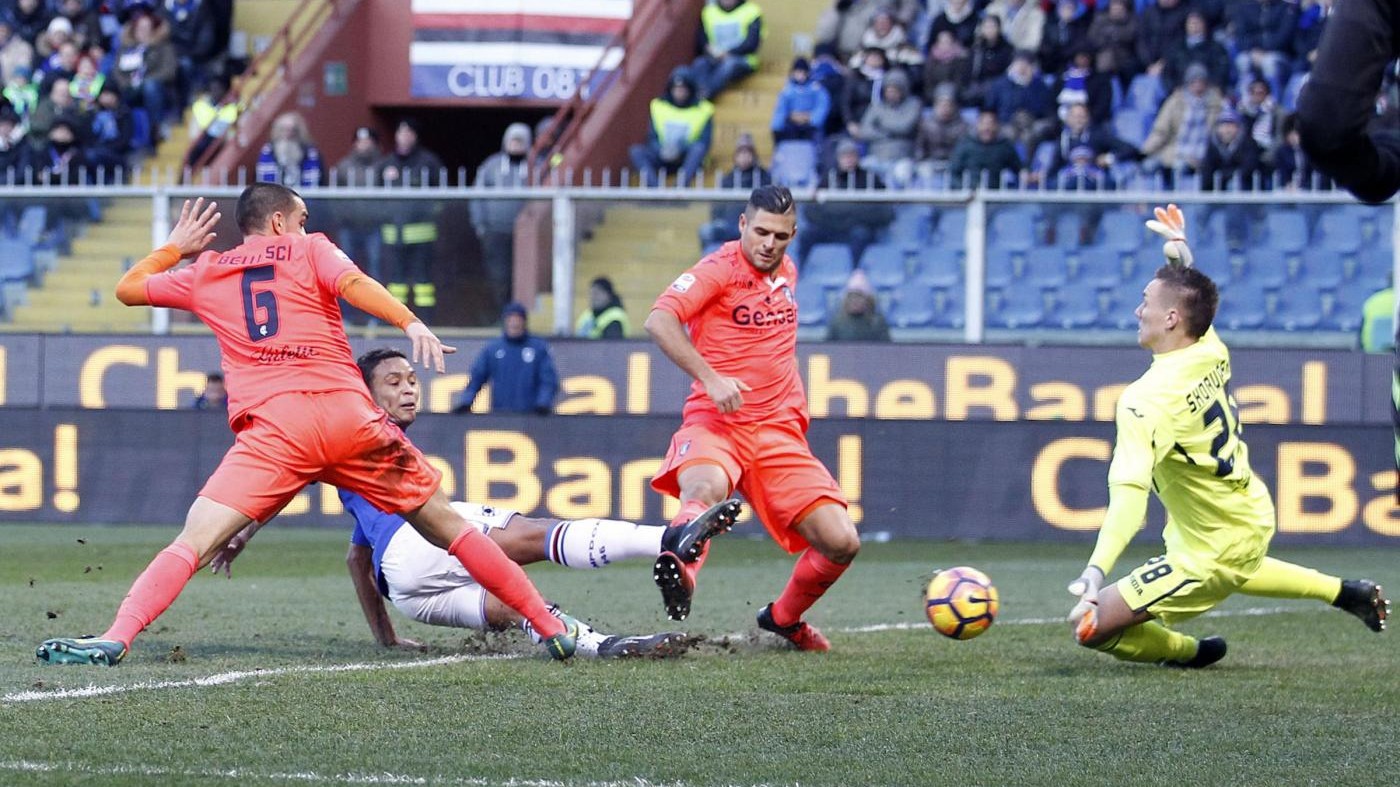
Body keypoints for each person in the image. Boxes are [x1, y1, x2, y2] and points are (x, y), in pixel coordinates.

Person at [36, 184, 579, 665]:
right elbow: (356, 283)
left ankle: (117, 635)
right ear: (279, 222)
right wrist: (410, 322)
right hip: (350, 416)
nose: (306, 227)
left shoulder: (205, 273)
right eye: (301, 217)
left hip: (276, 428)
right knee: (453, 530)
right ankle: (548, 625)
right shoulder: (310, 248)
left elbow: (129, 288)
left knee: (192, 542)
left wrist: (177, 246)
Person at [212, 348, 742, 658]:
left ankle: (601, 645)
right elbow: (291, 469)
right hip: (414, 543)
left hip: (407, 590)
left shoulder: (365, 470)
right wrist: (244, 528)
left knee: (513, 609)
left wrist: (388, 638)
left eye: (413, 381)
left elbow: (356, 558)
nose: (409, 391)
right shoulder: (355, 429)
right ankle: (668, 538)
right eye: (393, 383)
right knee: (531, 538)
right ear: (365, 395)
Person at [1065, 204, 1389, 670]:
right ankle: (1344, 592)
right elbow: (1196, 300)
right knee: (1240, 562)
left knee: (1091, 627)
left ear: (1172, 319)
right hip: (1250, 513)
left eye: (1146, 304)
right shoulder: (1210, 347)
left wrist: (1096, 572)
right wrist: (1182, 257)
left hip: (1207, 551)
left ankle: (1190, 652)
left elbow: (1129, 498)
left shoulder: (1146, 399)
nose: (1139, 310)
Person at [644, 185, 862, 651]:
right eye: (760, 231)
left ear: (792, 235)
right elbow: (659, 321)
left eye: (780, 236)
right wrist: (712, 377)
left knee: (842, 542)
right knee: (703, 491)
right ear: (742, 225)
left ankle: (783, 619)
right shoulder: (717, 270)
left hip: (778, 434)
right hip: (717, 421)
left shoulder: (788, 272)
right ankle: (681, 570)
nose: (769, 243)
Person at [379, 118, 445, 313]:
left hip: (422, 234)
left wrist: (427, 212)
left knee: (422, 282)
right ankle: (394, 317)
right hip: (393, 234)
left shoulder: (429, 163)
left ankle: (425, 318)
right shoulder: (386, 164)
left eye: (409, 133)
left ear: (415, 136)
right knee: (396, 281)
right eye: (401, 132)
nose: (404, 137)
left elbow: (441, 197)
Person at [453, 301, 559, 415]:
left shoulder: (538, 348)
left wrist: (543, 404)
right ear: (505, 322)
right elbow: (477, 377)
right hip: (501, 415)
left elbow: (548, 380)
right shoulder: (493, 348)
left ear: (524, 322)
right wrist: (466, 402)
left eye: (518, 320)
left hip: (531, 415)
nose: (514, 324)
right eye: (511, 320)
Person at [470, 122, 532, 308]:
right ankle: (502, 313)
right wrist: (480, 225)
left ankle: (520, 316)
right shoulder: (491, 165)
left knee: (523, 276)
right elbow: (476, 196)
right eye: (513, 140)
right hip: (496, 231)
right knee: (499, 276)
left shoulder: (535, 165)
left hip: (525, 233)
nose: (516, 145)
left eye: (520, 141)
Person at [628, 66, 714, 187]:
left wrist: (680, 148)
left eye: (683, 89)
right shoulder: (658, 106)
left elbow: (705, 141)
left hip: (686, 157)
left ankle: (680, 187)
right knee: (636, 151)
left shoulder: (704, 109)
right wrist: (661, 150)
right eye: (676, 89)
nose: (679, 92)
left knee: (698, 149)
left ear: (690, 89)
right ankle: (655, 190)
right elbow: (652, 136)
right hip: (662, 154)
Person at [700, 133, 772, 248]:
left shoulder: (764, 178)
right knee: (706, 231)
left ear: (754, 155)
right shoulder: (728, 179)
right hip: (729, 225)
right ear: (736, 156)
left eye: (747, 152)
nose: (744, 156)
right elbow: (717, 209)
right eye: (741, 153)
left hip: (753, 227)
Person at [690, 0, 763, 100]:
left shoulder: (752, 11)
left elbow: (752, 43)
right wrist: (709, 49)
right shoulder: (708, 12)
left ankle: (705, 94)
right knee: (700, 63)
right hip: (715, 57)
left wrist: (728, 53)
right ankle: (696, 93)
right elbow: (702, 39)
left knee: (729, 64)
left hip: (742, 60)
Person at [949, 110, 1023, 190]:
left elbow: (1019, 168)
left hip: (996, 194)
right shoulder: (965, 144)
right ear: (977, 125)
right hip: (969, 194)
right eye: (984, 124)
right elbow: (953, 172)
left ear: (997, 126)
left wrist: (1026, 174)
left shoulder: (1005, 146)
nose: (987, 128)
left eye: (991, 124)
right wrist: (963, 190)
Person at [770, 57, 830, 144]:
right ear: (793, 73)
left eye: (803, 72)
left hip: (810, 124)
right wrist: (777, 127)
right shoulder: (787, 90)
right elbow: (781, 109)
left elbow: (822, 105)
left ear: (808, 73)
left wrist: (812, 118)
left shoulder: (816, 88)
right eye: (798, 72)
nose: (800, 75)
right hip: (792, 123)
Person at [256, 111, 322, 188]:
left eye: (293, 130)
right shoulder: (268, 150)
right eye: (284, 129)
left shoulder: (310, 153)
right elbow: (264, 179)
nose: (288, 134)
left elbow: (315, 178)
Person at [825, 269, 889, 341]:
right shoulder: (837, 323)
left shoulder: (877, 323)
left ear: (868, 300)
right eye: (851, 296)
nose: (854, 300)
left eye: (859, 296)